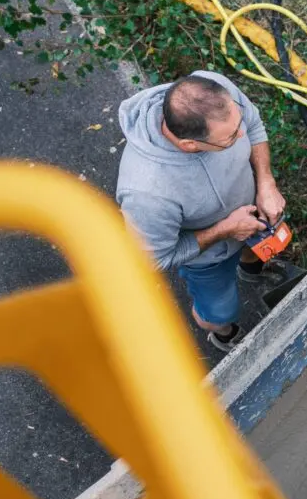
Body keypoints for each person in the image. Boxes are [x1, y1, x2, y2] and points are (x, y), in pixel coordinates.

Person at [116, 71, 286, 352]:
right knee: (219, 312)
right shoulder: (147, 193)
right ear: (190, 146)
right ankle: (224, 334)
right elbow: (155, 259)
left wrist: (266, 183)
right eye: (231, 138)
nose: (241, 134)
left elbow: (253, 125)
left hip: (254, 211)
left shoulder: (214, 93)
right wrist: (227, 230)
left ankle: (250, 269)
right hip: (209, 259)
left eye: (237, 124)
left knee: (253, 250)